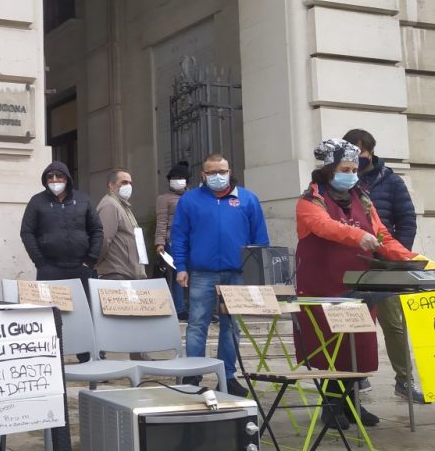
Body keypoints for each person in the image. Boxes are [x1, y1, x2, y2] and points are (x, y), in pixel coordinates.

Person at [295, 138, 427, 428]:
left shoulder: (363, 200)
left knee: (359, 345)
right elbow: (323, 226)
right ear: (329, 169)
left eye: (355, 168)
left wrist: (411, 258)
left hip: (360, 286)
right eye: (345, 168)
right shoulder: (309, 202)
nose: (352, 174)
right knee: (331, 346)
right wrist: (357, 236)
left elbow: (382, 237)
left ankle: (352, 404)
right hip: (323, 286)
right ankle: (331, 407)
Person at [170, 153, 268, 397]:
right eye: (212, 172)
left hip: (237, 273)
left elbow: (260, 238)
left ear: (229, 171)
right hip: (201, 272)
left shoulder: (248, 199)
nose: (217, 176)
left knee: (232, 326)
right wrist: (181, 267)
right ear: (203, 175)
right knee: (196, 325)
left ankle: (228, 376)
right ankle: (192, 374)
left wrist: (259, 274)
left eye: (222, 171)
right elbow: (179, 236)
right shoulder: (190, 201)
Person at [343, 128, 425, 404]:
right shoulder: (342, 181)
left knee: (393, 323)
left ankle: (404, 380)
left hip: (385, 262)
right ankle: (358, 376)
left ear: (371, 151)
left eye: (361, 152)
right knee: (356, 322)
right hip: (353, 262)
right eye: (353, 152)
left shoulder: (390, 180)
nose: (358, 158)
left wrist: (397, 257)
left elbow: (406, 219)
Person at [20, 161, 103, 361]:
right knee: (50, 317)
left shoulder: (83, 199)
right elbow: (27, 232)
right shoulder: (37, 202)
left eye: (59, 177)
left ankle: (90, 358)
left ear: (67, 179)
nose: (55, 181)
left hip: (80, 267)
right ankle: (51, 358)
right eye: (50, 177)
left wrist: (90, 260)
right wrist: (40, 262)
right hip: (50, 268)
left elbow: (97, 230)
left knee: (86, 315)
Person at [95, 169, 146, 281]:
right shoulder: (110, 205)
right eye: (124, 182)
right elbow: (104, 239)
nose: (128, 186)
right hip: (117, 272)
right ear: (111, 185)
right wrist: (94, 262)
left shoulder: (122, 205)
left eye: (130, 183)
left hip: (128, 272)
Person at [155, 161, 189, 319]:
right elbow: (162, 222)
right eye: (174, 177)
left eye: (181, 177)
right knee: (178, 274)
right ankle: (180, 308)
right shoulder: (164, 198)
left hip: (192, 241)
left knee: (196, 275)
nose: (177, 180)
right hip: (172, 241)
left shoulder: (193, 196)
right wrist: (160, 242)